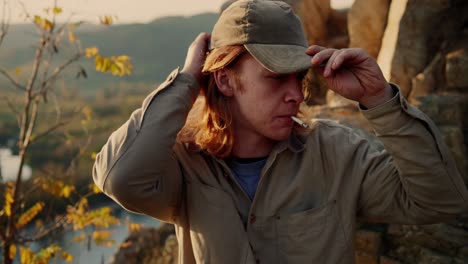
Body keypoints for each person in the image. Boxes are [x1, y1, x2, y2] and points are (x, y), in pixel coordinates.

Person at [93, 0, 468, 263]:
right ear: (224, 80)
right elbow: (120, 178)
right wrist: (188, 80)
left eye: (299, 78)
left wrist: (380, 99)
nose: (296, 95)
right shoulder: (185, 167)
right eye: (275, 79)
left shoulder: (337, 153)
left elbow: (441, 199)